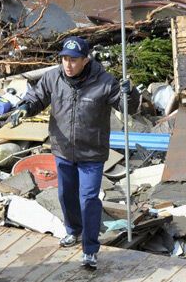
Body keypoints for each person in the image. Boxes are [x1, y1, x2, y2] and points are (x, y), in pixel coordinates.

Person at [9, 36, 138, 269]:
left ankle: (90, 249)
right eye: (65, 59)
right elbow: (36, 97)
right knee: (66, 195)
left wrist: (131, 94)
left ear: (86, 60)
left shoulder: (105, 82)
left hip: (92, 153)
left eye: (74, 60)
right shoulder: (53, 77)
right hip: (62, 149)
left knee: (88, 200)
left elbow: (128, 107)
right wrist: (24, 108)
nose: (68, 64)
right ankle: (73, 230)